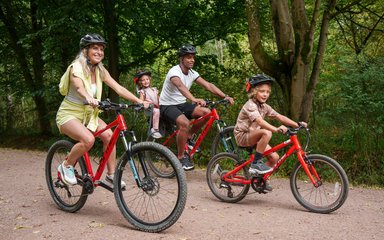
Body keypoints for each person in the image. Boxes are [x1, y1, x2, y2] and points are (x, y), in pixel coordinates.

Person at [56, 33, 148, 187]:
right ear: (85, 51)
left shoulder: (100, 70)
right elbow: (79, 87)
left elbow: (118, 88)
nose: (99, 52)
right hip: (69, 114)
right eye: (95, 48)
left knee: (109, 136)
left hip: (89, 115)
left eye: (101, 49)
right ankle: (66, 166)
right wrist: (88, 97)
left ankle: (111, 175)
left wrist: (139, 101)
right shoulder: (75, 67)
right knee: (88, 140)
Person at [159, 43, 234, 170]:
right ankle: (181, 157)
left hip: (181, 104)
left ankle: (188, 136)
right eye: (188, 57)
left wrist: (224, 96)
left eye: (193, 57)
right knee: (184, 123)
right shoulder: (174, 71)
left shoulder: (192, 73)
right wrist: (193, 99)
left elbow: (208, 85)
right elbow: (180, 86)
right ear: (181, 58)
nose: (192, 60)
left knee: (206, 113)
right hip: (167, 105)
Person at [234, 74, 307, 190]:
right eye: (262, 91)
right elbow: (260, 121)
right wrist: (276, 129)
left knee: (274, 158)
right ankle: (256, 164)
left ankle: (260, 180)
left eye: (268, 92)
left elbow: (279, 116)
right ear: (254, 92)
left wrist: (297, 124)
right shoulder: (250, 105)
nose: (265, 94)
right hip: (243, 136)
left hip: (255, 136)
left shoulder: (264, 106)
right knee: (267, 132)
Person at [134, 70, 162, 139]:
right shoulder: (142, 91)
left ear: (149, 80)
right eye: (143, 80)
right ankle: (154, 129)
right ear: (140, 82)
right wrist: (143, 103)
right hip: (150, 108)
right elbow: (140, 100)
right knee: (156, 111)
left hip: (157, 106)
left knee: (165, 110)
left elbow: (158, 99)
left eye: (147, 79)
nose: (146, 81)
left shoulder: (154, 89)